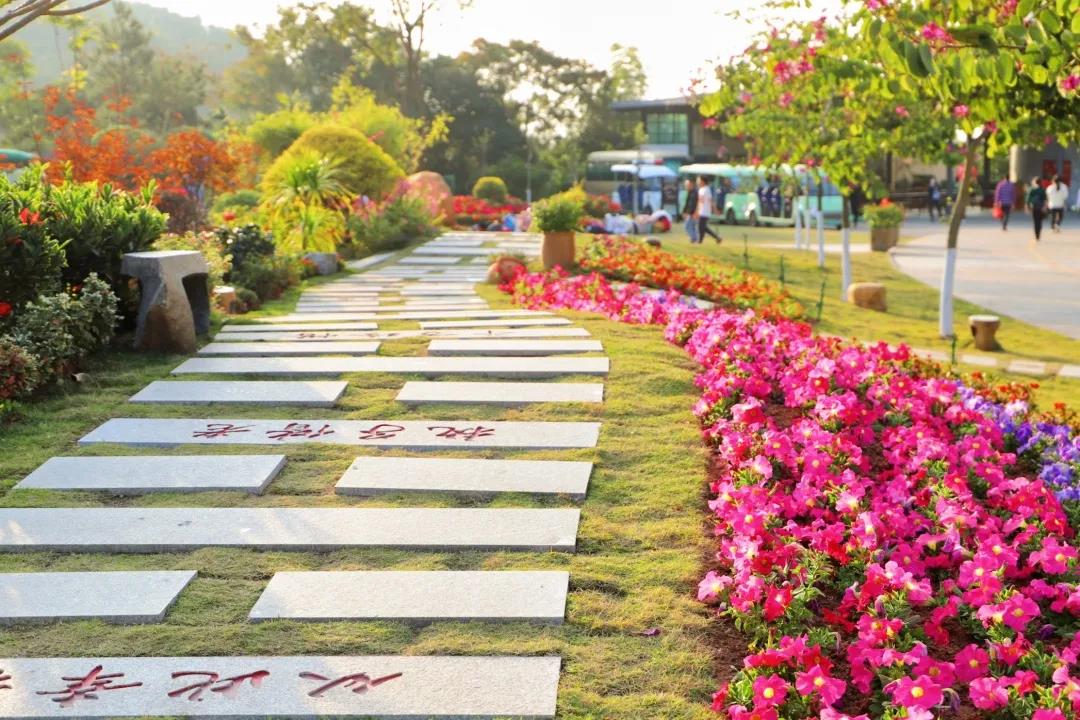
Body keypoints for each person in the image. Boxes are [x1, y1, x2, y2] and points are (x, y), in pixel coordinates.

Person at [695, 175, 723, 244]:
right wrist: (697, 211)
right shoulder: (700, 190)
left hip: (705, 211)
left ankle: (700, 241)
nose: (698, 182)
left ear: (703, 181)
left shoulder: (707, 190)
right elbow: (699, 201)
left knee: (701, 226)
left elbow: (711, 201)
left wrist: (715, 210)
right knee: (703, 227)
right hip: (701, 210)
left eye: (699, 180)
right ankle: (717, 238)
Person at [1027, 176, 1047, 241]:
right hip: (1041, 208)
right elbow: (1045, 200)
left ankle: (1036, 235)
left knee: (1035, 222)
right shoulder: (1042, 190)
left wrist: (1027, 207)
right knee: (1040, 222)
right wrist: (1045, 207)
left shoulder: (1032, 190)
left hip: (1034, 208)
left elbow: (1028, 200)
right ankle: (1038, 234)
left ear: (1034, 182)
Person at [681, 178, 699, 243]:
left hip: (694, 213)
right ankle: (694, 238)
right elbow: (687, 203)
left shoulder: (695, 193)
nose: (686, 187)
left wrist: (695, 212)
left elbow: (696, 203)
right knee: (689, 226)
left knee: (689, 226)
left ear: (691, 184)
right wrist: (684, 211)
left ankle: (694, 238)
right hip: (690, 213)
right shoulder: (689, 192)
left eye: (687, 185)